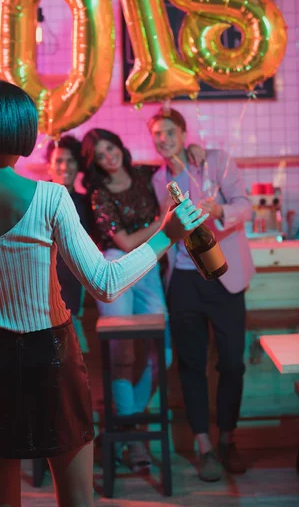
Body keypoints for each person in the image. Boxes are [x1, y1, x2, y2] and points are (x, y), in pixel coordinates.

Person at [0, 79, 208, 507]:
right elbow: (105, 283)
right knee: (77, 501)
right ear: (23, 134)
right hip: (52, 356)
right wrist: (166, 236)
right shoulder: (50, 198)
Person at [80, 128, 205, 472]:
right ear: (94, 163)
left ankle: (125, 423)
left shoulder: (145, 174)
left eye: (111, 147)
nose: (109, 156)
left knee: (161, 355)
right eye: (100, 155)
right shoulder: (98, 194)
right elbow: (124, 241)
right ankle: (134, 440)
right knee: (122, 355)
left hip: (150, 267)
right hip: (115, 267)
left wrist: (192, 147)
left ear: (120, 145)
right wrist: (164, 226)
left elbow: (174, 165)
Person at [148, 107, 255, 483]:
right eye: (157, 134)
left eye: (169, 132)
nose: (163, 139)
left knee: (232, 363)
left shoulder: (214, 163)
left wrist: (220, 208)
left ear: (182, 131)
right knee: (191, 366)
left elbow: (245, 206)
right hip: (184, 282)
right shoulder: (159, 180)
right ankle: (204, 447)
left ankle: (228, 439)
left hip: (223, 276)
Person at [46, 135, 91, 351]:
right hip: (41, 295)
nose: (65, 166)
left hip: (75, 293)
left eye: (71, 160)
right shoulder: (37, 199)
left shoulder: (86, 204)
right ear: (49, 167)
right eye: (59, 160)